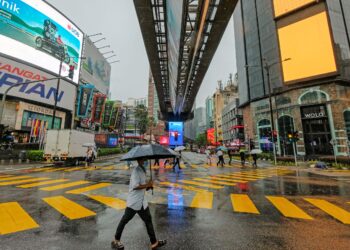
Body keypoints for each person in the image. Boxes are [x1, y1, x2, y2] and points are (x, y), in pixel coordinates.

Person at [111, 158, 167, 250]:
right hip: (134, 202)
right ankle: (116, 240)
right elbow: (135, 186)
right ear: (139, 160)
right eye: (143, 159)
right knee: (124, 220)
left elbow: (143, 187)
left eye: (145, 159)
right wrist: (147, 185)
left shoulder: (142, 170)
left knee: (148, 220)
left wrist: (149, 187)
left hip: (142, 202)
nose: (145, 160)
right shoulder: (136, 171)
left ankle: (154, 243)